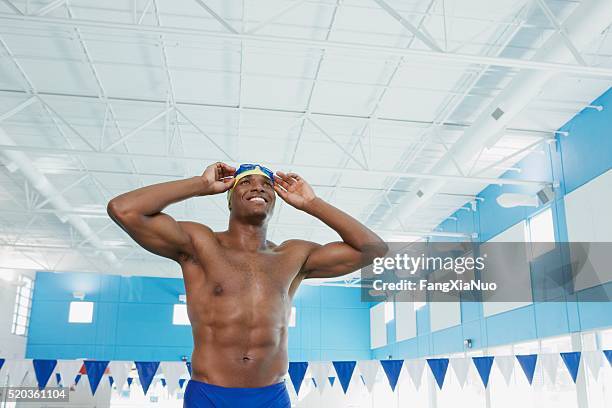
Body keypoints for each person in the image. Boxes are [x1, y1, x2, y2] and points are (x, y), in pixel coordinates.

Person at [107, 162, 387, 407]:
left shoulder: (294, 255)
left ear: (276, 200)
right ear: (229, 198)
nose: (258, 187)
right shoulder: (199, 244)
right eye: (247, 182)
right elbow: (123, 209)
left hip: (271, 396)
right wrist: (201, 184)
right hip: (209, 395)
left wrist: (313, 203)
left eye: (267, 184)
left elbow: (374, 249)